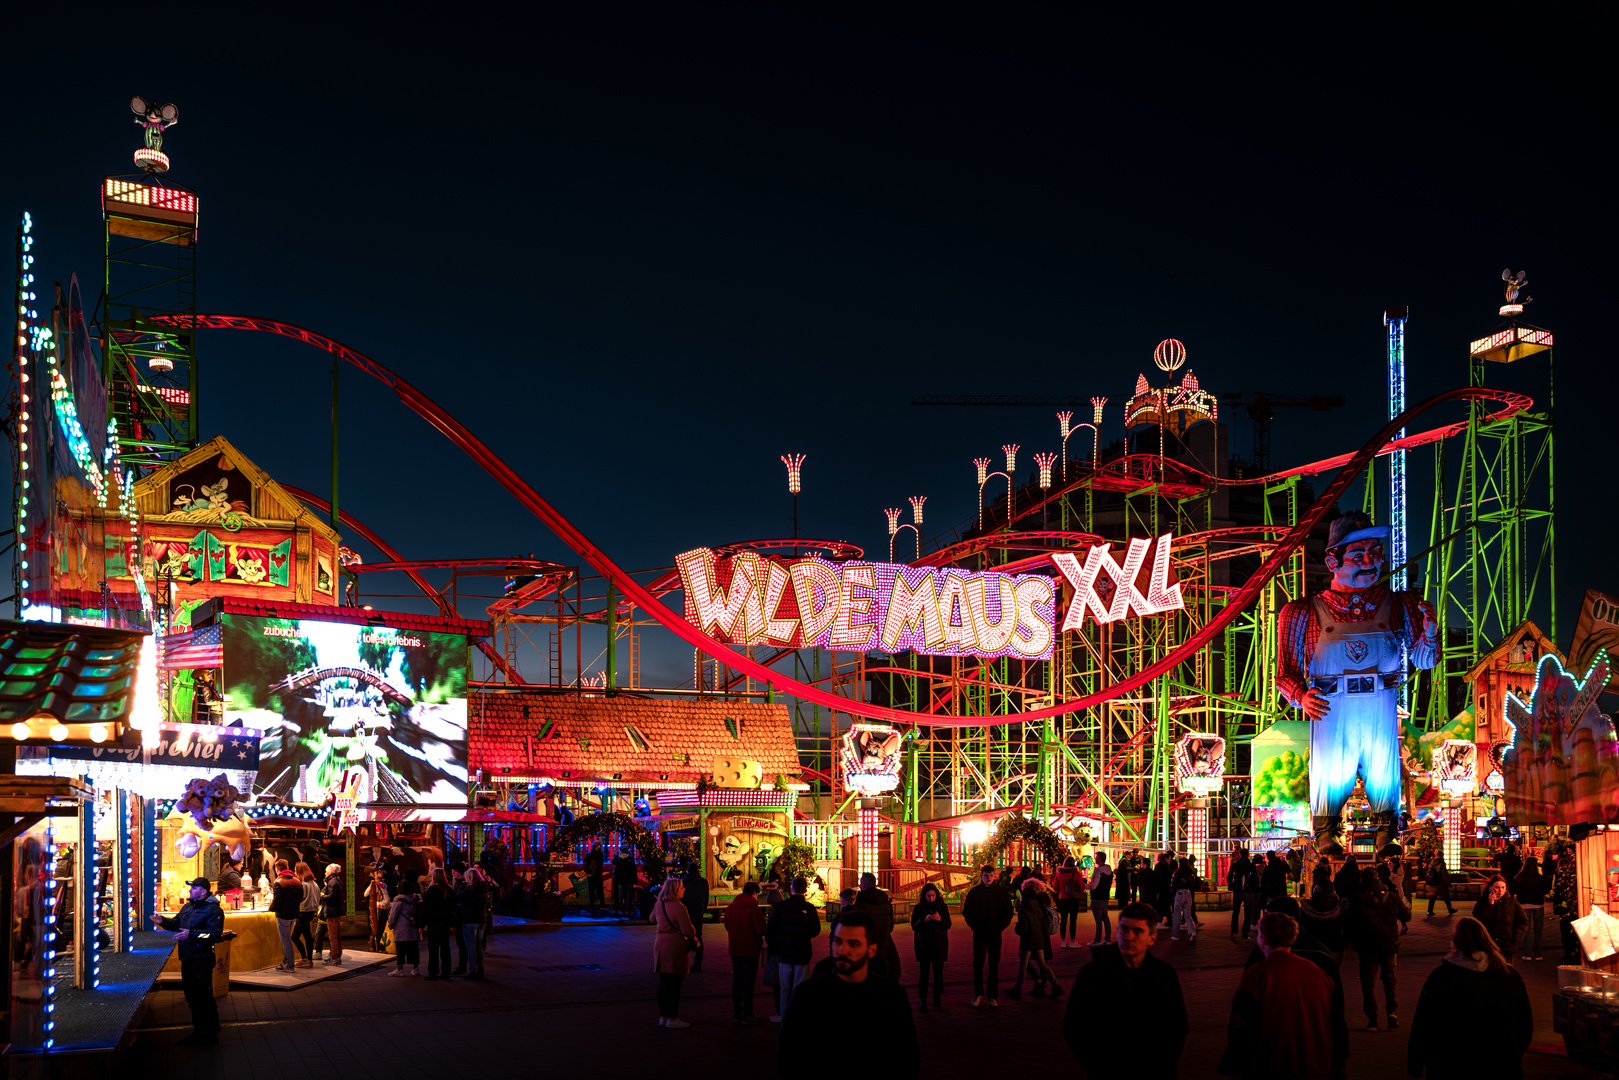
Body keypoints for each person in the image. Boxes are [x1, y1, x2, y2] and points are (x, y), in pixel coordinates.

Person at [1277, 512, 1439, 855]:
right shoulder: (1300, 612)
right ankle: (1326, 833)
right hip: (1330, 706)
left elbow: (1425, 661)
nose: (1370, 562)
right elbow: (1285, 672)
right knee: (1330, 771)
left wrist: (1430, 633)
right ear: (1333, 560)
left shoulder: (1402, 604)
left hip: (1382, 702)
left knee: (1385, 770)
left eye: (1376, 553)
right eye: (1359, 555)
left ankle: (1386, 832)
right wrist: (1302, 697)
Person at [778, 910, 919, 1080]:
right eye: (838, 942)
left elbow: (906, 1057)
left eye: (854, 944)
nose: (843, 950)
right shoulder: (809, 995)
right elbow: (789, 1055)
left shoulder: (891, 996)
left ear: (871, 950)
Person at [1064, 902, 1186, 1079]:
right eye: (1124, 929)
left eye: (1138, 931)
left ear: (1152, 938)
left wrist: (1163, 1066)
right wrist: (1099, 1067)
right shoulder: (1093, 975)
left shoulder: (1164, 975)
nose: (1129, 937)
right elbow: (1075, 1027)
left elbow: (1176, 1027)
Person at [1218, 912, 1344, 1080]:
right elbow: (1334, 1016)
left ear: (1263, 938)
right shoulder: (1317, 972)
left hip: (1272, 1064)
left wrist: (1236, 1061)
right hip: (1316, 1061)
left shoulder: (1258, 973)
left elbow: (1241, 1022)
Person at [1407, 916, 1533, 1079]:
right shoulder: (1509, 976)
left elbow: (1424, 1022)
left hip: (1453, 1064)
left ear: (1456, 941)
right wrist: (1514, 1051)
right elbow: (1524, 1022)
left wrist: (1416, 1064)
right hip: (1502, 1063)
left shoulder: (1443, 977)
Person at [152, 877, 226, 1046]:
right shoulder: (188, 907)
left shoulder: (213, 910)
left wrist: (190, 934)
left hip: (201, 959)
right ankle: (199, 1031)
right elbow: (177, 923)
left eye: (194, 888)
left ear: (203, 892)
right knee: (192, 998)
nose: (191, 890)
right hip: (187, 957)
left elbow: (214, 935)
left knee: (204, 997)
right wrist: (162, 921)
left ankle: (210, 1033)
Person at [1347, 864, 1410, 1030]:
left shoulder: (1356, 897)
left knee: (1368, 983)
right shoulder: (1392, 896)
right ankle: (1392, 1013)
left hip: (1367, 944)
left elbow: (1351, 923)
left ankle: (1372, 1019)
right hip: (1389, 943)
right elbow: (1406, 916)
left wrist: (1352, 941)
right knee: (1389, 979)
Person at [764, 875, 822, 1020]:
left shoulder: (782, 907)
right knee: (800, 988)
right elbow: (815, 930)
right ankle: (797, 1018)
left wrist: (777, 944)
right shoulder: (809, 908)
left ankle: (784, 1018)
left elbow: (770, 929)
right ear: (805, 890)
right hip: (802, 953)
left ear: (791, 889)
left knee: (785, 988)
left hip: (784, 953)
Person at [963, 863, 1014, 1006]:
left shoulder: (1001, 892)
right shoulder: (974, 893)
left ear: (994, 876)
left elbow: (1008, 912)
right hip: (979, 933)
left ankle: (992, 996)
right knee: (978, 964)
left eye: (991, 875)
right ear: (981, 876)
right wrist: (974, 925)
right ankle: (978, 994)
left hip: (994, 934)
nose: (989, 878)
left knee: (994, 965)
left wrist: (1000, 926)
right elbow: (967, 912)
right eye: (986, 875)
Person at [653, 876, 697, 1028]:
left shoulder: (659, 904)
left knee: (663, 982)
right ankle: (673, 1017)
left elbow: (652, 919)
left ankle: (663, 1016)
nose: (684, 889)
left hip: (660, 945)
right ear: (675, 890)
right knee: (674, 984)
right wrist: (693, 929)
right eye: (681, 888)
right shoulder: (679, 907)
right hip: (675, 946)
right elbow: (688, 932)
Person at [1008, 878, 1061, 999]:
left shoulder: (1024, 910)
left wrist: (1017, 929)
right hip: (1040, 938)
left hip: (1028, 940)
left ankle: (1020, 988)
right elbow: (1042, 923)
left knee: (1023, 964)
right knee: (1042, 963)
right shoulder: (1038, 906)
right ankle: (1054, 984)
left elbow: (1024, 928)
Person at [723, 881, 767, 1024]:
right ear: (755, 893)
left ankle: (737, 1013)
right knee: (749, 982)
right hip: (750, 948)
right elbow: (760, 929)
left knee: (737, 980)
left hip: (735, 947)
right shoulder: (754, 908)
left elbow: (727, 925)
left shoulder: (731, 907)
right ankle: (748, 1013)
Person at [910, 881, 951, 1010]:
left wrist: (939, 919)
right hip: (924, 944)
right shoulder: (919, 908)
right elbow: (914, 926)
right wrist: (924, 920)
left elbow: (948, 924)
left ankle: (937, 997)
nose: (931, 898)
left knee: (938, 973)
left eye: (933, 896)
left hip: (939, 944)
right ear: (924, 896)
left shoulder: (942, 907)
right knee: (924, 973)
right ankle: (923, 999)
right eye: (928, 896)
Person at [854, 872, 901, 981]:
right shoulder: (885, 902)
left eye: (861, 883)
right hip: (885, 944)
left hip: (867, 945)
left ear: (864, 885)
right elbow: (890, 927)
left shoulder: (860, 902)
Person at [1472, 874, 1528, 958]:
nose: (1500, 891)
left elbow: (1523, 921)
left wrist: (1514, 937)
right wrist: (1490, 905)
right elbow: (1479, 917)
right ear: (1490, 888)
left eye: (1503, 887)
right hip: (1488, 944)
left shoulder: (1512, 903)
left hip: (1506, 945)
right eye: (1497, 887)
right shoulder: (1483, 901)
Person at [420, 867, 457, 980]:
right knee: (445, 947)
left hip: (433, 922)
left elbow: (426, 907)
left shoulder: (431, 890)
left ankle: (433, 972)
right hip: (445, 922)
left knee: (433, 948)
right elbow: (453, 906)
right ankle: (446, 972)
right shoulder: (448, 889)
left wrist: (421, 923)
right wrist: (452, 922)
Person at [268, 862, 302, 973]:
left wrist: (271, 908)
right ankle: (285, 962)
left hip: (283, 915)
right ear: (287, 867)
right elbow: (302, 897)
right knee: (287, 939)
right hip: (294, 914)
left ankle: (290, 966)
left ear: (277, 870)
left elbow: (277, 902)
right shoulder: (297, 881)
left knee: (285, 940)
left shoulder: (279, 882)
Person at [386, 871, 422, 976]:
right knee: (414, 949)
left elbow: (393, 916)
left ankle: (400, 970)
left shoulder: (398, 900)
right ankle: (415, 968)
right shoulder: (416, 898)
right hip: (414, 927)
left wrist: (390, 925)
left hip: (401, 929)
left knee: (401, 950)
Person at [458, 867, 491, 977]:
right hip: (482, 919)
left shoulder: (470, 889)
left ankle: (472, 970)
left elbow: (457, 897)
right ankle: (480, 968)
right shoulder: (484, 888)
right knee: (478, 945)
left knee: (470, 946)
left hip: (470, 919)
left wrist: (462, 886)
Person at [1513, 855, 1548, 960]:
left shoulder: (1518, 877)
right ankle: (1538, 954)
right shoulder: (1540, 878)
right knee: (1538, 930)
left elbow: (1514, 890)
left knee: (1525, 930)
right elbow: (1545, 891)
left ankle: (1526, 954)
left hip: (1524, 904)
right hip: (1538, 904)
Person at [679, 864, 709, 972]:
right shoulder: (703, 882)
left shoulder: (684, 882)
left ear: (688, 870)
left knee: (683, 938)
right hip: (698, 913)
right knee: (698, 938)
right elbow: (706, 899)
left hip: (686, 913)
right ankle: (697, 964)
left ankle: (683, 963)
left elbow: (681, 898)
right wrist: (702, 910)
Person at [1055, 855, 1086, 949]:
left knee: (1063, 920)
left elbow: (1055, 887)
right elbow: (1082, 887)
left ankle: (1063, 941)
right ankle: (1072, 941)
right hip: (1073, 899)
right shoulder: (1075, 874)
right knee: (1073, 920)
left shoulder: (1059, 874)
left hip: (1062, 899)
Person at [1229, 850, 1261, 942]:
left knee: (1235, 912)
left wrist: (1232, 885)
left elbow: (1229, 876)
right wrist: (1255, 889)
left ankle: (1233, 932)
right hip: (1249, 891)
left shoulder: (1235, 865)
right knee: (1247, 913)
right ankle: (1245, 934)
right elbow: (1255, 878)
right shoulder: (1251, 866)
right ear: (1248, 855)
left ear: (1240, 854)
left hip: (1237, 891)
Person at [293, 862, 319, 968]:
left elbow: (299, 899)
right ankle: (307, 959)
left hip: (303, 911)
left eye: (295, 871)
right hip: (311, 912)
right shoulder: (314, 884)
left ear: (298, 871)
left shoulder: (302, 884)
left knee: (304, 936)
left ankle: (307, 959)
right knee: (297, 936)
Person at [318, 862, 345, 965]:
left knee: (333, 936)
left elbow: (331, 897)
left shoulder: (332, 882)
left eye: (326, 871)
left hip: (332, 911)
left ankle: (335, 957)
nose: (325, 873)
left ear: (330, 871)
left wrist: (321, 897)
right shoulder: (337, 880)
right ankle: (337, 955)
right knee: (337, 935)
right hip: (337, 911)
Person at [1088, 851, 1114, 945]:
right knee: (1105, 918)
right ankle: (1107, 939)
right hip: (1105, 897)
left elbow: (1093, 886)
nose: (1095, 859)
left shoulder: (1098, 871)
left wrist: (1084, 885)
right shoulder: (1109, 871)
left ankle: (1097, 939)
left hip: (1097, 898)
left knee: (1098, 920)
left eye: (1096, 858)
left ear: (1099, 859)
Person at [1171, 857, 1199, 942]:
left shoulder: (1177, 873)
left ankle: (1176, 935)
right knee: (1187, 915)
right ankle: (1192, 932)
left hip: (1179, 893)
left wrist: (1173, 894)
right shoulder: (1191, 873)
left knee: (1177, 915)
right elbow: (1194, 884)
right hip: (1188, 893)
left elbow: (1174, 884)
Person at [1426, 851, 1457, 915]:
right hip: (1440, 882)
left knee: (1432, 897)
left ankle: (1429, 910)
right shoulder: (1441, 863)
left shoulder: (1432, 862)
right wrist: (1448, 883)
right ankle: (1450, 909)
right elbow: (1444, 874)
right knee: (1446, 896)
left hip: (1433, 882)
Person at [612, 844, 638, 914]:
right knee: (628, 895)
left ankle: (621, 909)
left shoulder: (618, 860)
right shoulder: (631, 860)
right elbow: (633, 871)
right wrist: (635, 879)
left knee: (620, 895)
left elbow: (616, 871)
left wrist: (616, 880)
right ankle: (627, 909)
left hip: (621, 880)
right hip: (629, 880)